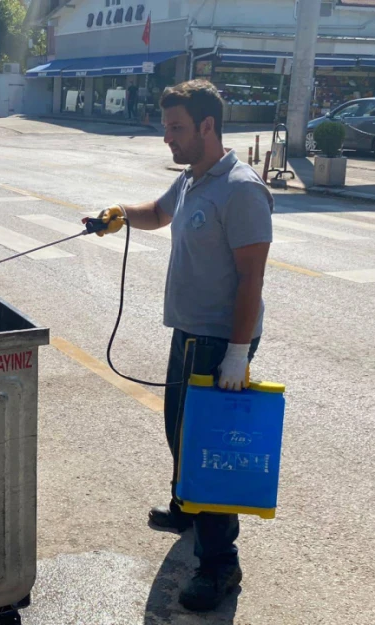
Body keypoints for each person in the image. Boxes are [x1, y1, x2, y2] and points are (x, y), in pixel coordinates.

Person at [95, 79, 273, 612]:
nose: (166, 137)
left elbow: (251, 281)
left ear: (207, 127)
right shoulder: (194, 179)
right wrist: (119, 215)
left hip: (221, 340)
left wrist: (237, 356)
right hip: (189, 333)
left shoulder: (241, 189)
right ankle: (189, 506)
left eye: (176, 128)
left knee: (208, 452)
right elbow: (157, 212)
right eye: (166, 127)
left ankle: (221, 565)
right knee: (178, 429)